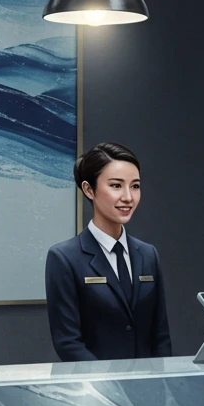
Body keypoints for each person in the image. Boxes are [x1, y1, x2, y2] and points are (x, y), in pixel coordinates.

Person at [46, 142, 171, 361]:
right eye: (116, 186)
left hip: (149, 388)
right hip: (96, 389)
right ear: (88, 189)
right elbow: (68, 343)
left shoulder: (148, 254)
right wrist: (111, 387)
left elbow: (160, 336)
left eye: (135, 186)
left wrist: (159, 385)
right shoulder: (64, 258)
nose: (128, 197)